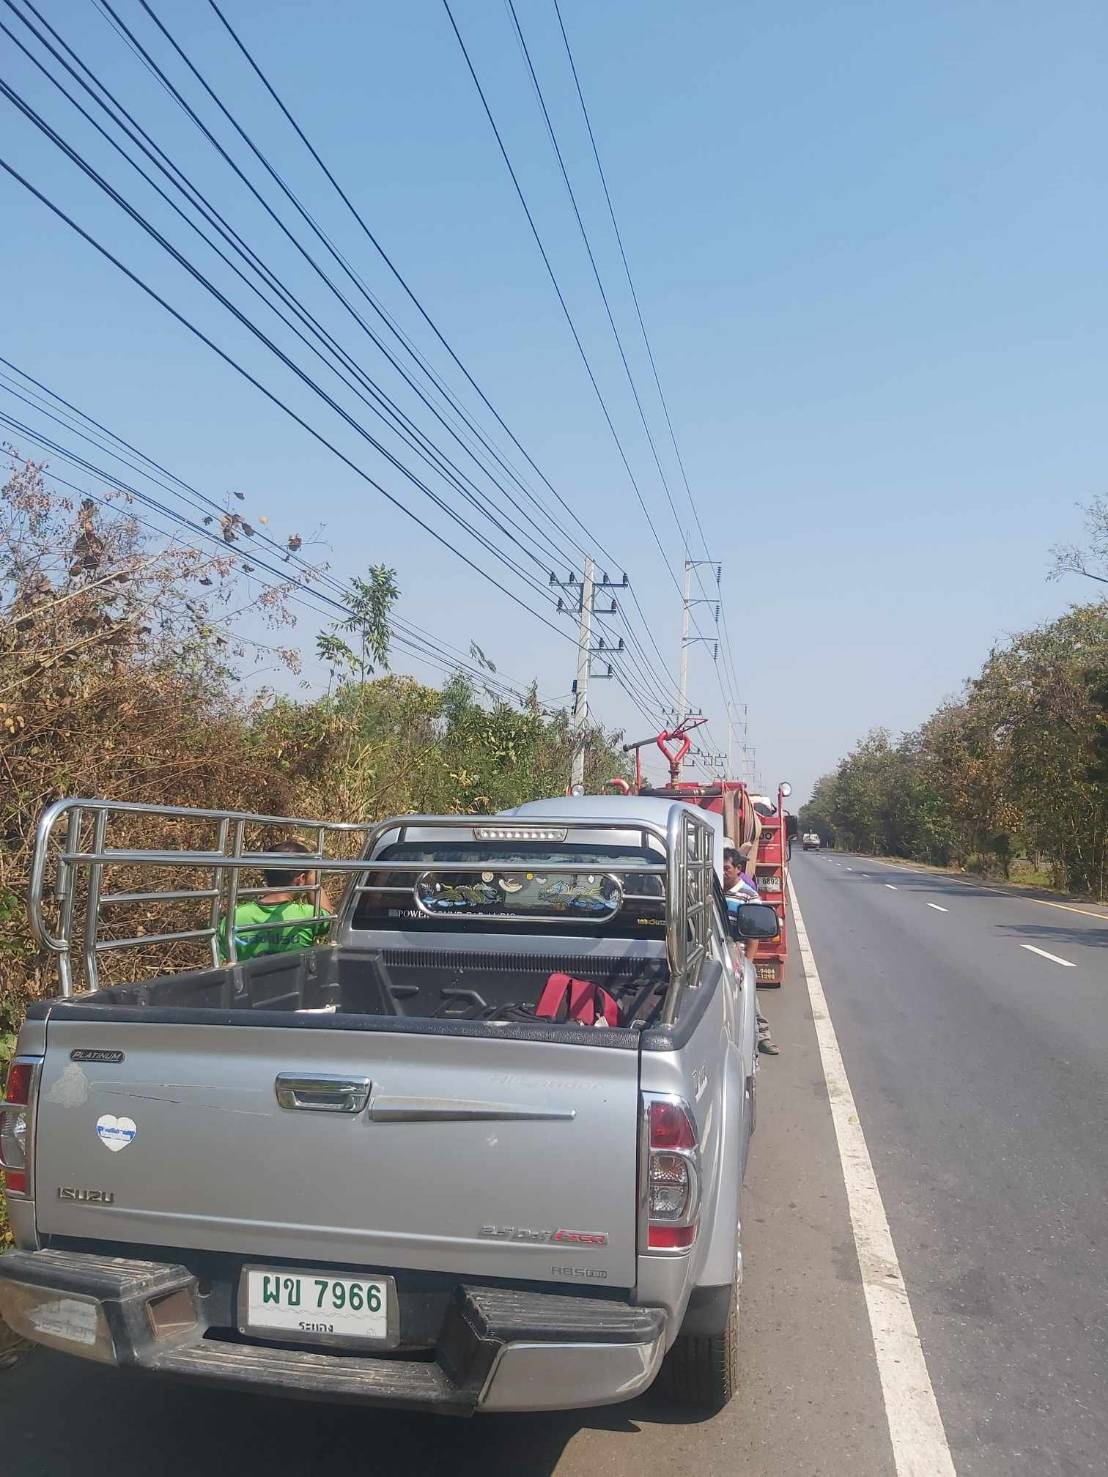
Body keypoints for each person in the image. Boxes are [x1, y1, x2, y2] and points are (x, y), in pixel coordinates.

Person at [218, 839, 333, 961]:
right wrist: (313, 882)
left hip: (247, 980)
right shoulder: (307, 915)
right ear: (301, 879)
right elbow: (329, 918)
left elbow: (223, 960)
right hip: (294, 979)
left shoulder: (234, 917)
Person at [723, 845, 779, 1055]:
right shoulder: (713, 891)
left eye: (726, 868)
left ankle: (762, 1036)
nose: (722, 872)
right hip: (716, 951)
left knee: (748, 996)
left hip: (738, 953)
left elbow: (753, 933)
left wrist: (748, 962)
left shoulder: (749, 896)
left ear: (738, 869)